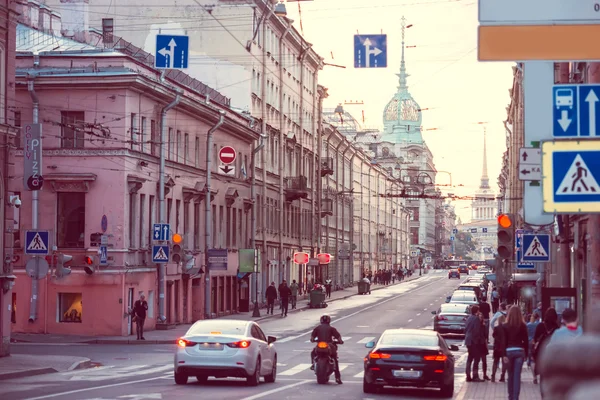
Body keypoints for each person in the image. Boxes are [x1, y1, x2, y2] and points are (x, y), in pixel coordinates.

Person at [502, 305, 529, 400]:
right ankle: (515, 398)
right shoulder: (523, 326)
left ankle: (510, 397)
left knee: (510, 375)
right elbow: (526, 341)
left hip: (508, 352)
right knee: (517, 376)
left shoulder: (505, 326)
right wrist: (526, 353)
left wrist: (503, 355)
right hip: (519, 351)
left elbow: (503, 342)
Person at [309, 315, 344, 384]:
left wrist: (314, 340)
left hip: (319, 345)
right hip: (329, 345)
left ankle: (313, 364)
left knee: (313, 353)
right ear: (329, 321)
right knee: (335, 360)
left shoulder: (317, 328)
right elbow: (339, 338)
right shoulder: (332, 328)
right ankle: (337, 377)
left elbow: (312, 339)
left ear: (321, 321)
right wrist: (340, 341)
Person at [532, 307, 559, 385]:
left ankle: (544, 394)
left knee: (543, 377)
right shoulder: (557, 328)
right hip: (552, 355)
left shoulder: (540, 326)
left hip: (541, 354)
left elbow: (535, 339)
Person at [464, 305, 484, 382]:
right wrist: (478, 340)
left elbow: (465, 329)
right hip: (473, 341)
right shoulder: (476, 319)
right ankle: (475, 376)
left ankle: (468, 375)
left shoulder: (469, 318)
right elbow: (476, 331)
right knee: (477, 358)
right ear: (477, 311)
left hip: (468, 340)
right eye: (478, 311)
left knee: (470, 357)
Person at [491, 314, 507, 382]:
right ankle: (502, 376)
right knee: (504, 362)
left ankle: (493, 376)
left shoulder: (496, 328)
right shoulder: (506, 328)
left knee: (495, 361)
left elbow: (494, 335)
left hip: (497, 347)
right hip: (504, 347)